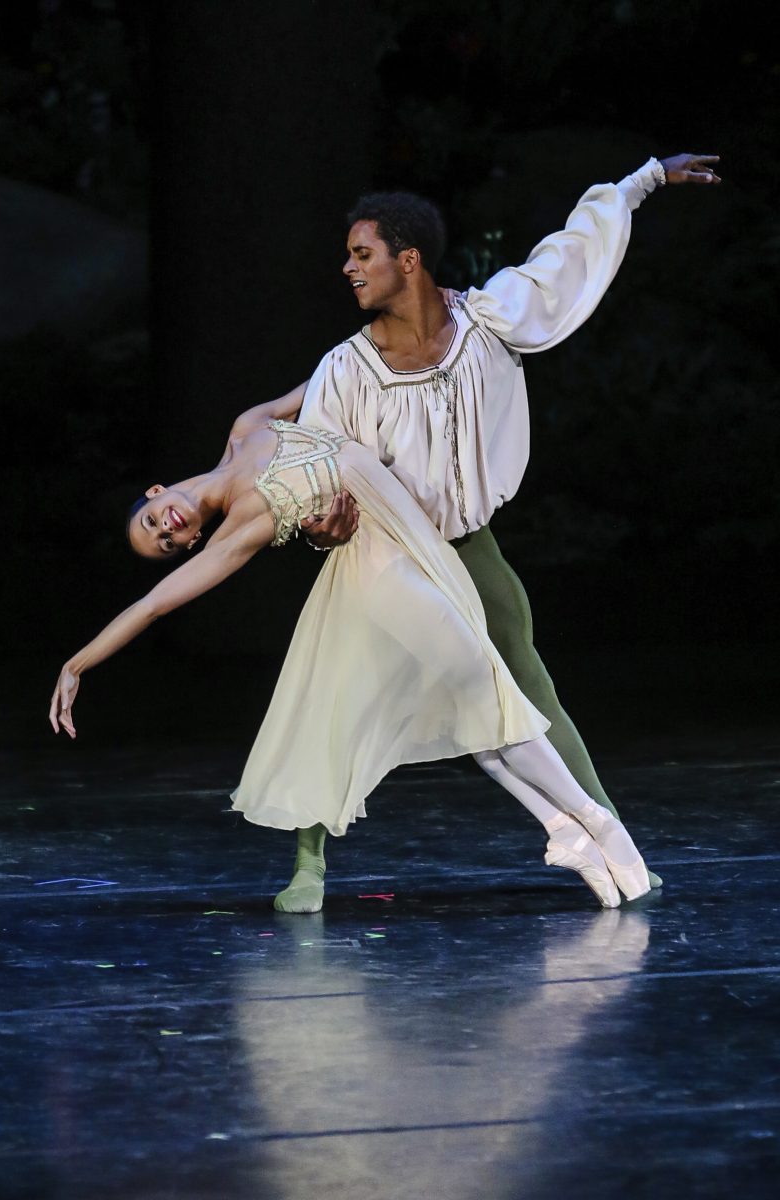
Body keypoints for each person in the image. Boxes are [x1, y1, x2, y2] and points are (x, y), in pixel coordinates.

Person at [272, 151, 720, 912]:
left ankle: (606, 832)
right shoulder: (343, 371)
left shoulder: (487, 320)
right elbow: (313, 478)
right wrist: (321, 527)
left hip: (470, 549)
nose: (348, 269)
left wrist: (642, 182)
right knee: (337, 698)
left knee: (526, 690)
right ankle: (308, 865)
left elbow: (567, 257)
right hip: (389, 563)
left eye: (362, 255)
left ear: (405, 261)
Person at [49, 398, 652, 910]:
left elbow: (340, 374)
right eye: (166, 542)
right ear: (192, 543)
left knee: (476, 701)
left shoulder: (245, 429)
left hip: (421, 536)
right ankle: (596, 825)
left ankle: (559, 829)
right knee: (484, 684)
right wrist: (78, 663)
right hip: (381, 569)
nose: (167, 529)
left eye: (154, 519)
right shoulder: (234, 530)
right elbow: (154, 605)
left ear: (157, 492)